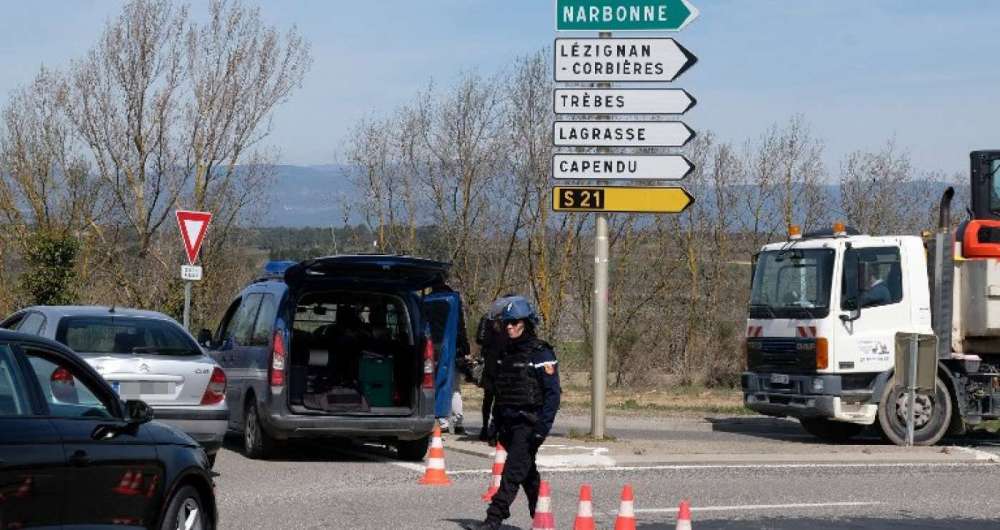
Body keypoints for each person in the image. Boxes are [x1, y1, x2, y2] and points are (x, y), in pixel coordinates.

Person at [465, 296, 561, 530]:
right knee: (526, 471)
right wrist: (494, 424)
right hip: (508, 422)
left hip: (529, 424)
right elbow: (501, 391)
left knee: (512, 471)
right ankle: (540, 513)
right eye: (507, 322)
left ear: (526, 323)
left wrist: (542, 430)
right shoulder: (505, 353)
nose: (509, 326)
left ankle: (494, 517)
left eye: (514, 322)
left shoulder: (541, 353)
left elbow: (552, 395)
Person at [474, 294, 515, 441]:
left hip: (492, 363)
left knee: (489, 398)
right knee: (500, 399)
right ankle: (493, 429)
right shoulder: (510, 323)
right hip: (502, 364)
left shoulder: (489, 319)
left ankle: (486, 428)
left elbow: (480, 339)